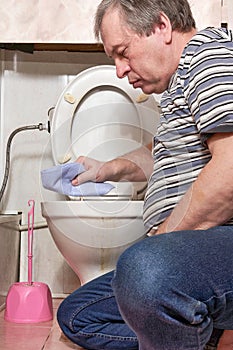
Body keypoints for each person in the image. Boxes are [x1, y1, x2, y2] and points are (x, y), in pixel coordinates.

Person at [57, 0, 233, 349]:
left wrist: (163, 240)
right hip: (191, 256)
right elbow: (162, 155)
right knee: (79, 314)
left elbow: (230, 167)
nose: (120, 70)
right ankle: (198, 332)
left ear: (161, 27)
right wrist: (106, 169)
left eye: (123, 52)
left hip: (216, 243)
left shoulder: (207, 57)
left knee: (144, 270)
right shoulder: (179, 84)